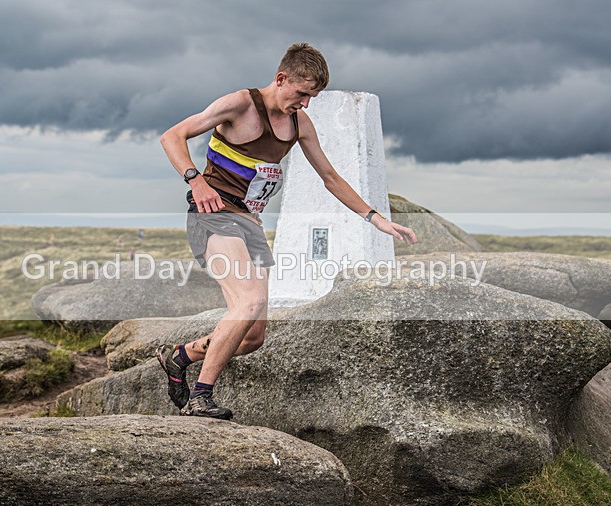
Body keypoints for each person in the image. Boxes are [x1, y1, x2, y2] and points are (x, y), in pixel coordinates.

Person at [158, 43, 417, 419]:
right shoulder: (239, 104)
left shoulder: (299, 125)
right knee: (246, 303)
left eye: (313, 97)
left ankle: (180, 358)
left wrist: (376, 218)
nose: (306, 103)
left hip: (249, 223)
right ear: (281, 79)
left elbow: (330, 177)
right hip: (213, 215)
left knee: (252, 336)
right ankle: (201, 397)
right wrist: (196, 180)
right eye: (302, 93)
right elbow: (172, 136)